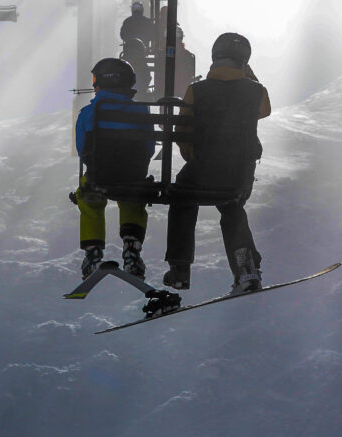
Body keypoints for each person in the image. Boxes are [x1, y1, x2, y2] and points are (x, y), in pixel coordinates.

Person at [163, 32, 271, 295]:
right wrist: (247, 75)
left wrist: (193, 158)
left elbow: (183, 132)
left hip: (203, 171)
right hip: (238, 176)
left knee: (182, 196)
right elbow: (264, 110)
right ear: (244, 61)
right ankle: (245, 268)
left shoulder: (197, 91)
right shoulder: (256, 92)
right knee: (231, 206)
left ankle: (180, 269)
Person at [74, 58, 155, 278]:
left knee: (88, 196)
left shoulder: (89, 112)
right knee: (132, 197)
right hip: (133, 176)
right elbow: (149, 147)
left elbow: (82, 148)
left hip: (100, 176)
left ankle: (93, 252)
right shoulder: (141, 111)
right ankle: (131, 249)